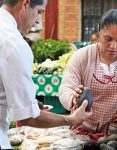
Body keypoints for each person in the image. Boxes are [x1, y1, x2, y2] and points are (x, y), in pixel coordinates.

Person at [0, 0, 92, 149]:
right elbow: (28, 118)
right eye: (39, 12)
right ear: (25, 3)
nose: (37, 21)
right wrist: (71, 119)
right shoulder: (14, 43)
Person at [59, 9, 117, 135]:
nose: (113, 46)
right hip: (83, 132)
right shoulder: (82, 56)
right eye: (108, 38)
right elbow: (65, 89)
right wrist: (74, 99)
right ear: (98, 33)